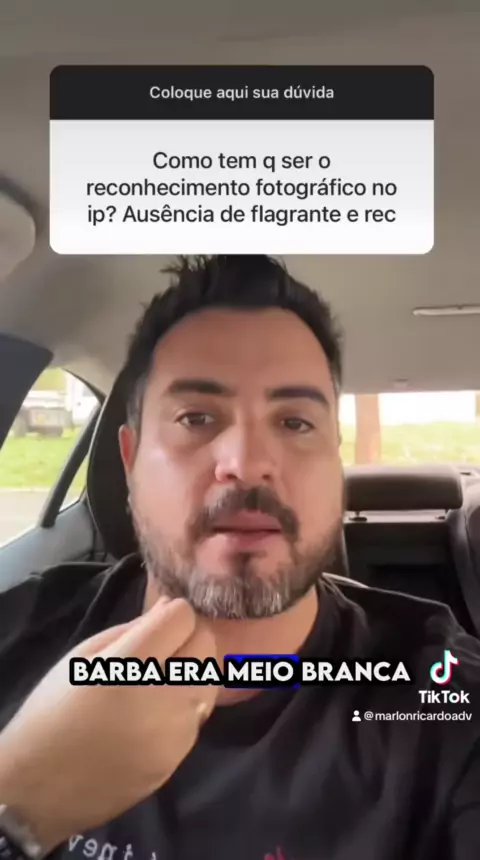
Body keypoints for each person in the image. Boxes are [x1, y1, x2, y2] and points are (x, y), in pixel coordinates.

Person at [0, 254, 479, 860]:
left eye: (296, 422)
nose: (248, 463)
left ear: (334, 465)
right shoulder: (19, 632)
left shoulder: (446, 703)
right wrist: (20, 806)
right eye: (196, 417)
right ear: (129, 461)